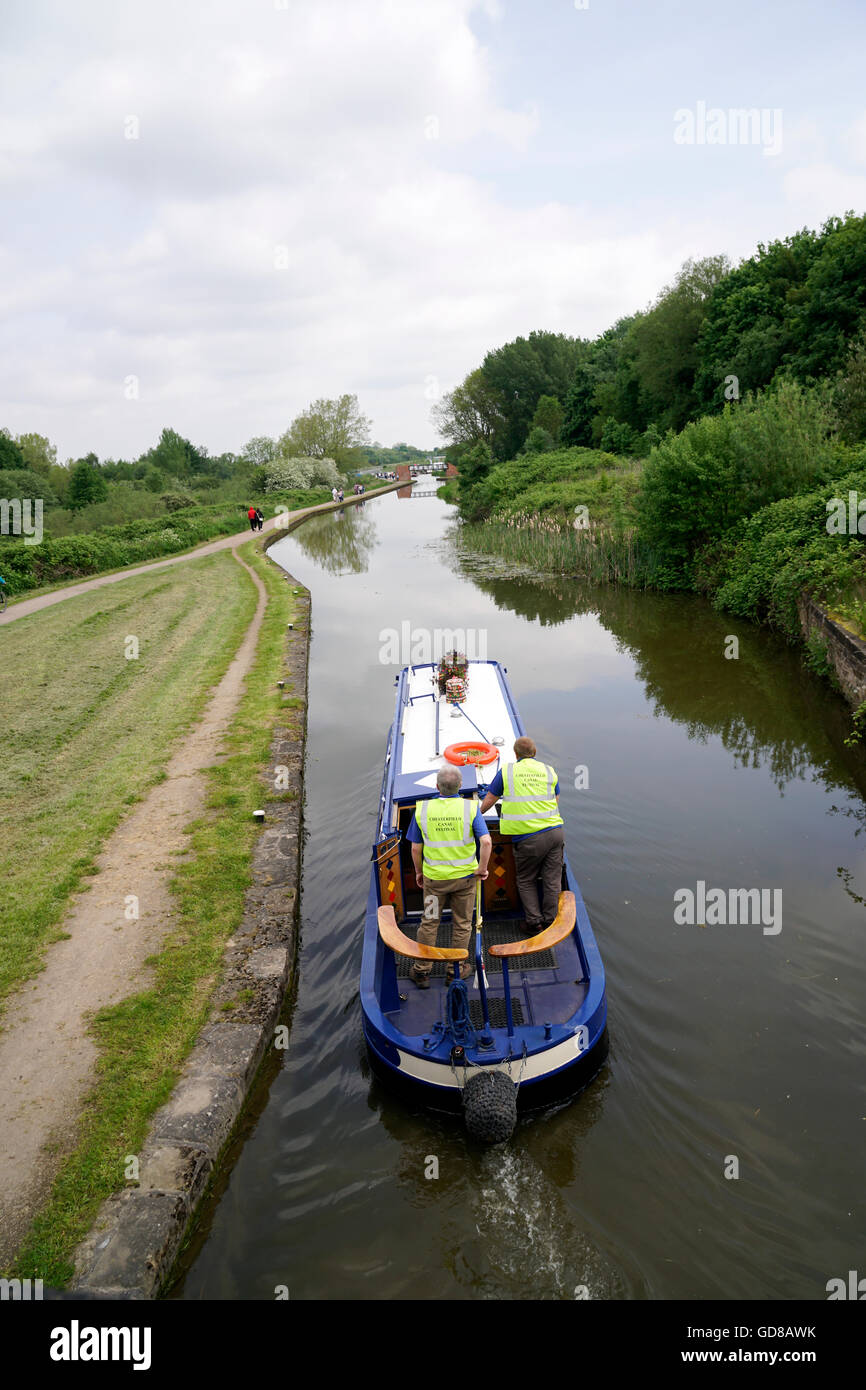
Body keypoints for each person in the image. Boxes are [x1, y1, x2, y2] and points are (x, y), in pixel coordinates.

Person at [407, 766, 491, 988]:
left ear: (437, 787)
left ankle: (422, 971)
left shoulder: (423, 810)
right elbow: (486, 842)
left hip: (434, 883)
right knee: (462, 924)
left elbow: (416, 849)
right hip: (464, 881)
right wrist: (482, 869)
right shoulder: (471, 809)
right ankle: (454, 971)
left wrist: (418, 872)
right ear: (460, 786)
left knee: (430, 923)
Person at [480, 736, 564, 932]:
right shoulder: (548, 770)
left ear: (515, 754)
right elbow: (556, 797)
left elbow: (491, 797)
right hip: (555, 832)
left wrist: (475, 817)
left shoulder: (507, 772)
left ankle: (534, 922)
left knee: (526, 879)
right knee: (552, 880)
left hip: (528, 838)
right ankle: (552, 922)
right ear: (534, 753)